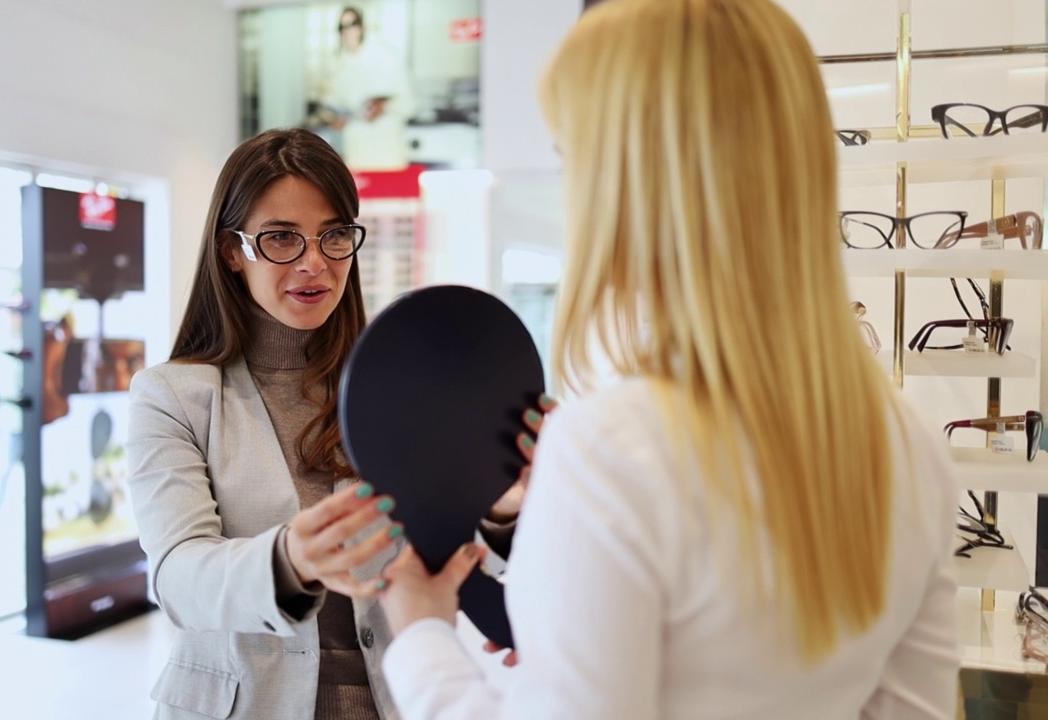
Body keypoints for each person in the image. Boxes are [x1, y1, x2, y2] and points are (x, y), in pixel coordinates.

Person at [375, 1, 960, 719]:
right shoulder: (910, 447)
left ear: (633, 183)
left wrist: (420, 635)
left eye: (571, 162)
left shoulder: (613, 449)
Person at [125, 128, 521, 720]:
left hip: (388, 700)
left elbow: (450, 560)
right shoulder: (173, 396)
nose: (314, 262)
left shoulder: (399, 389)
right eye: (281, 237)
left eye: (333, 235)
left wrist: (505, 511)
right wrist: (291, 559)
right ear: (233, 251)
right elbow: (178, 575)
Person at [316, 6, 415, 171]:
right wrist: (334, 118)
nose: (348, 31)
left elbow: (409, 104)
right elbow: (331, 105)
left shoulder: (386, 58)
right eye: (343, 27)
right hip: (357, 155)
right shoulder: (339, 66)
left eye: (352, 24)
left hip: (387, 155)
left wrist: (383, 106)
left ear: (361, 26)